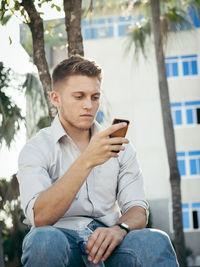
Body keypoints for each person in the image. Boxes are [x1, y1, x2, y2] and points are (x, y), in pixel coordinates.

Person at [17, 55, 179, 267]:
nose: (89, 105)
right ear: (56, 99)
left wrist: (120, 229)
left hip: (110, 244)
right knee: (44, 240)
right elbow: (40, 217)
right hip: (60, 240)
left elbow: (138, 209)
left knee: (155, 240)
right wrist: (87, 160)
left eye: (95, 97)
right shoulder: (36, 149)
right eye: (79, 97)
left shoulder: (122, 147)